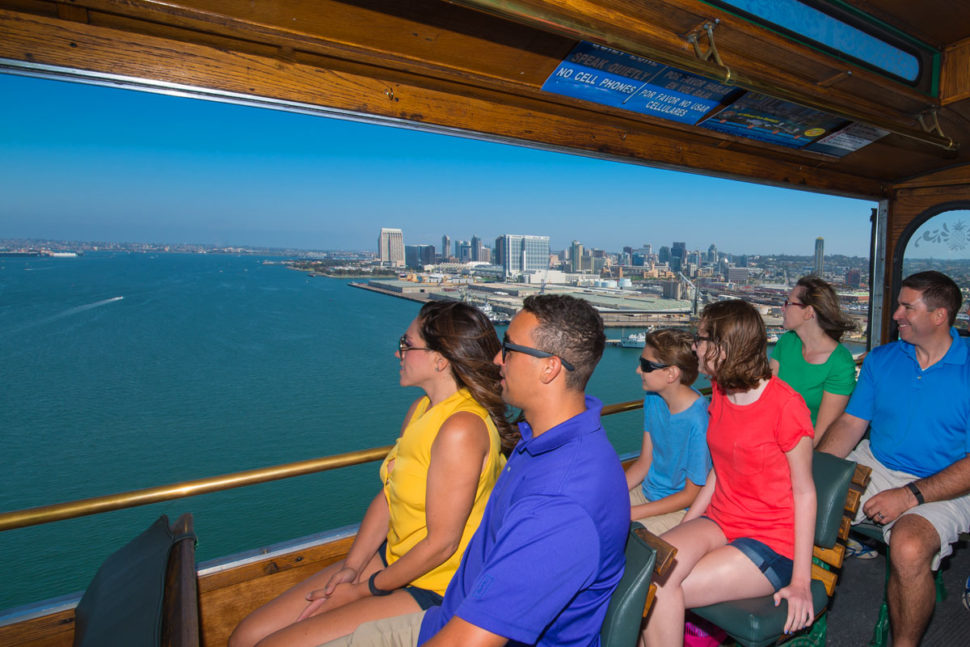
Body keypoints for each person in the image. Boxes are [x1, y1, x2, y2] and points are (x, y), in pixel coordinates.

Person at [323, 294, 629, 647]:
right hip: (448, 616)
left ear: (550, 367)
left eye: (510, 349)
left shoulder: (560, 502)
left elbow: (467, 642)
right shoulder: (545, 442)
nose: (497, 359)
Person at [230, 301, 515, 647]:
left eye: (406, 345)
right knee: (246, 636)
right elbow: (389, 496)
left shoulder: (461, 429)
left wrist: (363, 590)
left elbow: (442, 544)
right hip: (394, 559)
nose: (398, 354)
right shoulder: (422, 409)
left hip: (437, 584)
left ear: (441, 360)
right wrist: (351, 568)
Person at [642, 300, 817, 646]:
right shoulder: (721, 391)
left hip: (770, 542)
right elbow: (720, 472)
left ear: (723, 348)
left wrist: (800, 582)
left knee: (657, 592)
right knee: (641, 575)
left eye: (701, 338)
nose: (695, 346)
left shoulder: (786, 406)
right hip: (720, 520)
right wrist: (687, 524)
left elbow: (805, 493)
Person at [817, 270, 970, 647]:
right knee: (801, 503)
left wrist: (908, 496)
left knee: (909, 545)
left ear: (939, 316)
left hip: (950, 479)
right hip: (880, 462)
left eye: (907, 307)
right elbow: (852, 424)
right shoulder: (883, 359)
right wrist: (817, 473)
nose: (897, 315)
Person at [624, 329, 710, 535]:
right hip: (648, 492)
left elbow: (690, 495)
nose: (638, 370)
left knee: (624, 536)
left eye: (646, 365)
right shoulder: (653, 398)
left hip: (679, 508)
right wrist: (611, 493)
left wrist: (632, 513)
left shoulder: (699, 420)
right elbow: (645, 462)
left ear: (671, 373)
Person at [770, 275, 857, 444]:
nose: (782, 308)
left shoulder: (840, 363)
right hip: (772, 436)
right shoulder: (787, 342)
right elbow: (767, 399)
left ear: (809, 312)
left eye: (789, 303)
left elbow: (821, 435)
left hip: (803, 448)